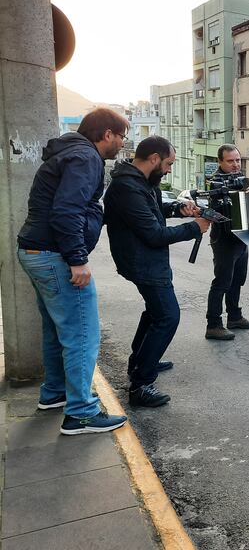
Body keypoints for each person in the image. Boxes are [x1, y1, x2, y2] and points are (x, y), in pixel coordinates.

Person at [17, 108, 129, 435]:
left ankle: (55, 394)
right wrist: (77, 259)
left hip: (36, 251)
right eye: (120, 135)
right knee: (82, 333)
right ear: (106, 134)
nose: (122, 142)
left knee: (56, 329)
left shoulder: (68, 153)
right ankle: (80, 412)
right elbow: (67, 210)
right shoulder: (85, 158)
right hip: (55, 256)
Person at [103, 136, 209, 407]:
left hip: (148, 260)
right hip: (143, 262)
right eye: (169, 163)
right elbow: (152, 233)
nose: (170, 169)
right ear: (154, 159)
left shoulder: (140, 182)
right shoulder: (127, 186)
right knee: (167, 316)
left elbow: (150, 211)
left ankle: (139, 362)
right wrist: (194, 227)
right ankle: (140, 384)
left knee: (155, 312)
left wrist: (176, 208)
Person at [204, 144, 249, 341]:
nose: (236, 164)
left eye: (238, 160)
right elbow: (221, 207)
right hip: (224, 239)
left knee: (238, 279)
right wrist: (244, 196)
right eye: (230, 161)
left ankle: (234, 317)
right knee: (222, 282)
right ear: (220, 162)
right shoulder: (215, 182)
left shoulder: (241, 178)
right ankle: (213, 325)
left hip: (242, 236)